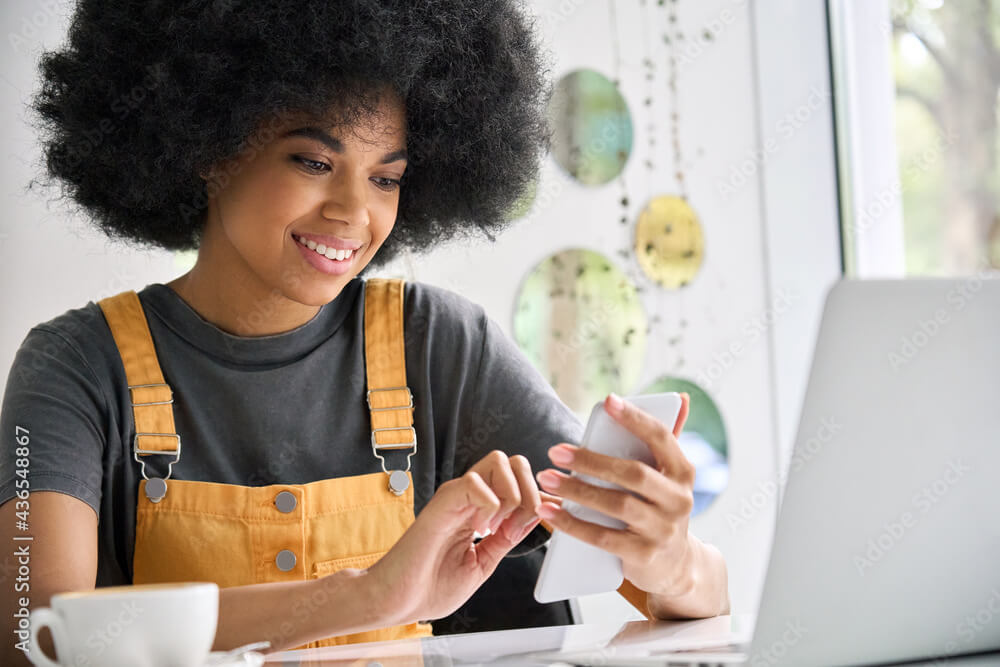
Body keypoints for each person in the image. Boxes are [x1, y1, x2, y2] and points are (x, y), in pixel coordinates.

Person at [0, 0, 730, 663]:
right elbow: (30, 630)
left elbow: (699, 594)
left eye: (386, 177)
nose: (354, 213)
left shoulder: (440, 347)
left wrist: (669, 559)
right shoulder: (74, 366)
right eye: (315, 161)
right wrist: (371, 594)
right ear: (209, 149)